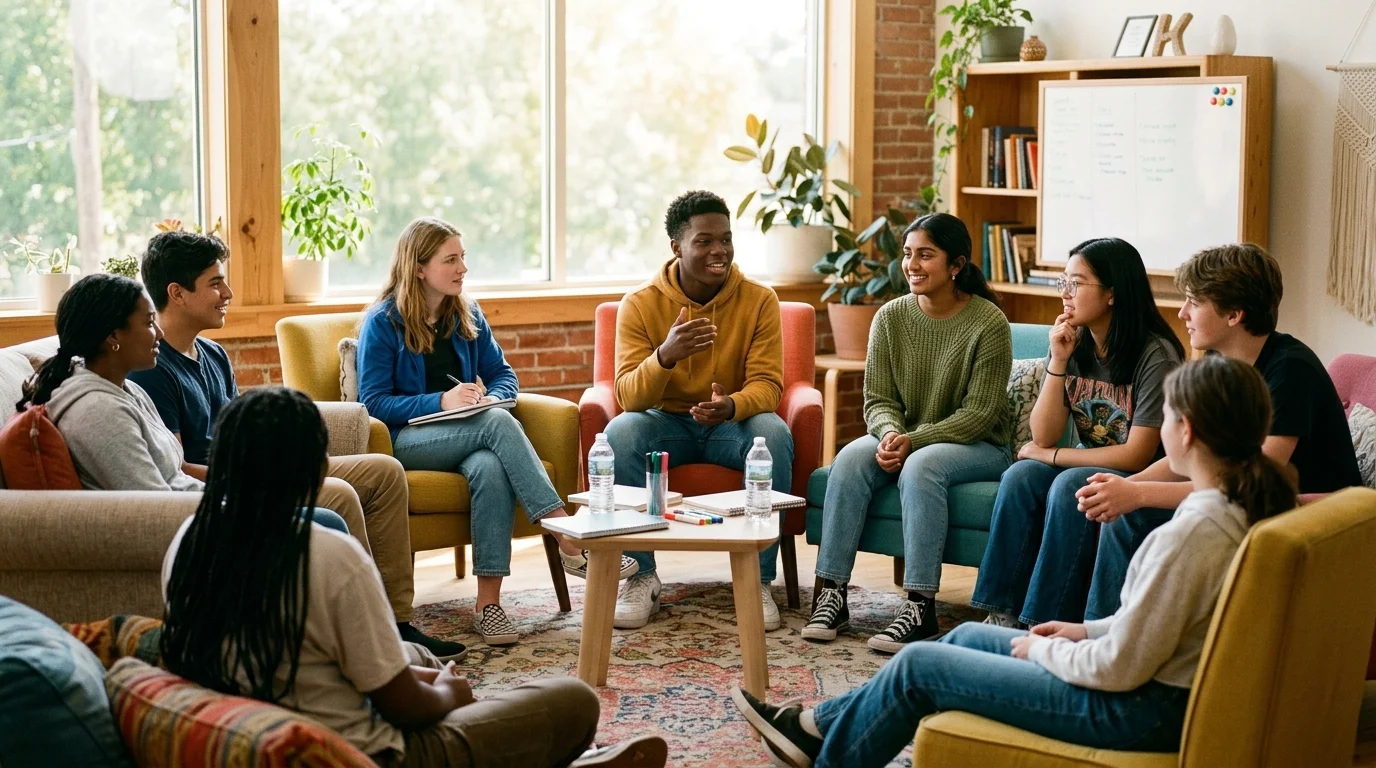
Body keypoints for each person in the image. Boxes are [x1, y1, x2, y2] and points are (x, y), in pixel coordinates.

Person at [732, 355, 1298, 768]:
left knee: (917, 668)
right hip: (1148, 691)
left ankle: (826, 754)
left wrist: (1044, 648)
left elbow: (1120, 668)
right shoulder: (1236, 510)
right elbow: (1174, 624)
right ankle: (813, 730)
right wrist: (1084, 627)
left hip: (1136, 710)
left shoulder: (1192, 532)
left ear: (1187, 431)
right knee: (959, 642)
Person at [160, 387, 667, 768]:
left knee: (419, 656)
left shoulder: (188, 540)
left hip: (263, 730)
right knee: (572, 701)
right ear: (313, 468)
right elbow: (403, 705)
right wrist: (452, 693)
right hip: (374, 750)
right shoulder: (328, 553)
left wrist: (425, 673)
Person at [127, 230, 460, 660]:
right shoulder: (152, 371)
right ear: (177, 293)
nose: (227, 293)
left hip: (254, 472)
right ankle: (367, 629)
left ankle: (396, 621)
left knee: (383, 471)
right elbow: (178, 467)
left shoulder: (212, 355)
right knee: (337, 492)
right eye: (215, 283)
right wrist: (259, 476)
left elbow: (240, 436)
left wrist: (284, 454)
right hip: (230, 486)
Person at [357, 216, 635, 647]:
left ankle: (489, 607)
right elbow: (372, 403)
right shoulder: (383, 321)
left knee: (489, 465)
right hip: (409, 441)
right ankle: (566, 533)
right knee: (497, 425)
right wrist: (440, 401)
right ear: (418, 267)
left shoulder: (466, 312)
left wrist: (492, 398)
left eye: (463, 257)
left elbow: (503, 375)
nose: (462, 268)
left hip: (473, 433)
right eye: (451, 259)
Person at [1077, 243, 1361, 619]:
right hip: (1240, 503)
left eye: (1194, 302)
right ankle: (1084, 632)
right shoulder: (1220, 362)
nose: (1182, 313)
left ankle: (1111, 643)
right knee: (1106, 500)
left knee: (1133, 517)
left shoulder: (1291, 371)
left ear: (1234, 314)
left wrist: (1138, 493)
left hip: (1301, 517)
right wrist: (1122, 486)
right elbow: (1191, 455)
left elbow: (1248, 483)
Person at [802, 212, 1012, 652]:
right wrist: (891, 434)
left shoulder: (988, 322)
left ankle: (920, 606)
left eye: (926, 255)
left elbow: (979, 413)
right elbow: (877, 400)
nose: (912, 265)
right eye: (907, 254)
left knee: (920, 467)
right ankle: (832, 593)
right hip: (907, 437)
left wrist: (912, 441)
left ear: (956, 265)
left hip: (980, 445)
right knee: (850, 459)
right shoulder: (890, 317)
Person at [604, 190, 794, 631]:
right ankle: (640, 576)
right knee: (621, 432)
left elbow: (769, 385)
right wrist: (664, 357)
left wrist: (732, 405)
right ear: (676, 247)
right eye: (705, 241)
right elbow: (629, 396)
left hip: (731, 424)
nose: (719, 251)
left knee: (774, 432)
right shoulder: (640, 302)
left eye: (725, 239)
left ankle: (759, 580)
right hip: (666, 424)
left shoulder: (759, 299)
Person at [970, 237, 1184, 628]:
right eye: (1063, 283)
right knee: (1021, 476)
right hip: (1091, 464)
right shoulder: (1076, 341)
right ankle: (1000, 612)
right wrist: (1059, 361)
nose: (1065, 294)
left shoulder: (1156, 356)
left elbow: (1136, 454)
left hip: (1143, 477)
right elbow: (1043, 433)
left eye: (1077, 283)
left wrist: (1050, 457)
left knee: (1068, 482)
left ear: (1112, 294)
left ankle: (1044, 622)